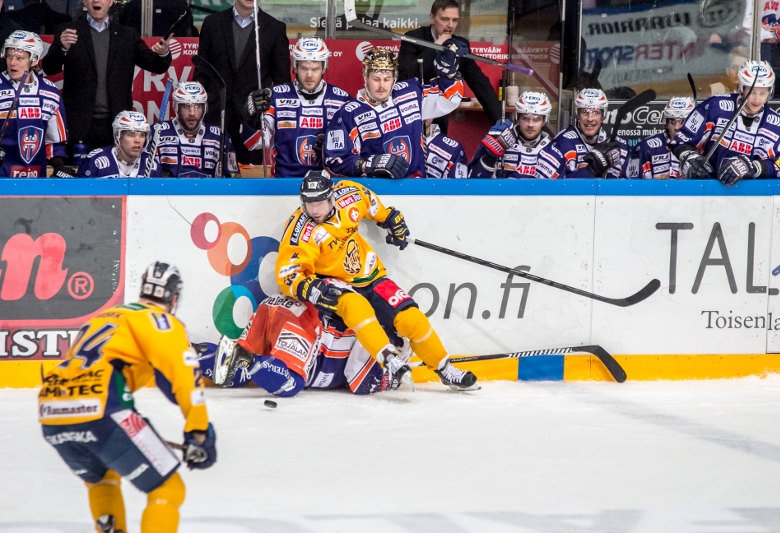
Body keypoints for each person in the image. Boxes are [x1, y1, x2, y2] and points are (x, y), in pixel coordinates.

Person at [38, 261, 216, 533]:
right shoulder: (161, 320)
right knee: (168, 487)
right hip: (102, 411)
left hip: (52, 410)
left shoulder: (105, 317)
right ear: (174, 297)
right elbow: (183, 377)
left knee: (102, 481)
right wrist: (198, 431)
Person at [274, 170, 479, 391]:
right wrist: (312, 288)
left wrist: (390, 218)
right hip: (335, 284)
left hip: (370, 274)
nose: (314, 210)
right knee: (357, 306)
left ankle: (445, 368)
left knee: (411, 319)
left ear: (332, 197)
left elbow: (370, 201)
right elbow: (289, 275)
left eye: (320, 202)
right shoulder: (300, 229)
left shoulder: (349, 195)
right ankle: (390, 361)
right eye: (308, 203)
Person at [205, 293, 404, 395]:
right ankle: (246, 359)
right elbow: (359, 382)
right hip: (302, 318)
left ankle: (191, 354)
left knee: (237, 373)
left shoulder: (370, 326)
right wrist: (388, 382)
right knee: (291, 383)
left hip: (277, 304)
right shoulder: (381, 339)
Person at [42, 0, 172, 155]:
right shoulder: (68, 31)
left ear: (111, 2)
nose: (96, 1)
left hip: (117, 126)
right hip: (79, 126)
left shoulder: (128, 35)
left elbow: (157, 66)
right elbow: (49, 68)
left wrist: (163, 52)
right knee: (79, 175)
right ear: (84, 2)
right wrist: (62, 48)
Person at [325, 47, 464, 179]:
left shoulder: (411, 93)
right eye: (376, 79)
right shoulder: (349, 113)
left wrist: (450, 73)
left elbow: (450, 98)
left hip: (416, 189)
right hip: (376, 192)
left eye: (387, 79)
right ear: (365, 77)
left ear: (395, 77)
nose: (381, 86)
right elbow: (334, 160)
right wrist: (367, 165)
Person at [193, 0, 291, 166]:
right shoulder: (212, 23)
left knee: (249, 181)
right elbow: (202, 72)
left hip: (252, 123)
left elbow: (283, 85)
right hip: (215, 116)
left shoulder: (275, 28)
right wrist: (195, 103)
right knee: (208, 174)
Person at [241, 37, 350, 178]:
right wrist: (251, 118)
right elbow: (254, 144)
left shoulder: (341, 99)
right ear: (294, 67)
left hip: (328, 184)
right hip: (284, 183)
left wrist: (334, 148)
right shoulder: (276, 96)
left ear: (324, 68)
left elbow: (353, 151)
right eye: (304, 68)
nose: (309, 75)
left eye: (315, 69)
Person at [672, 60, 780, 186]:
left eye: (763, 93)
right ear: (742, 89)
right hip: (705, 189)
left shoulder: (778, 126)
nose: (757, 99)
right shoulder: (715, 107)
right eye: (752, 92)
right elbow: (681, 141)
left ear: (770, 91)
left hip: (753, 197)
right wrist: (689, 158)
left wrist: (751, 167)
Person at [397, 0, 501, 134]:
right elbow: (406, 75)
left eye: (455, 20)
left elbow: (480, 84)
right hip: (410, 112)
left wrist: (500, 122)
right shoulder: (413, 38)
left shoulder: (459, 45)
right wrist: (437, 47)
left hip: (438, 117)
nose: (450, 25)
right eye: (445, 19)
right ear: (432, 18)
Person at [0, 30, 72, 178]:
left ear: (34, 60)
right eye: (10, 56)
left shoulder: (50, 92)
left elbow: (53, 142)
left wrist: (59, 166)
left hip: (36, 179)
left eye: (20, 58)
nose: (13, 62)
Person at [534, 88, 632, 179]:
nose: (590, 118)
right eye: (585, 112)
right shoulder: (562, 143)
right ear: (577, 114)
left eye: (595, 112)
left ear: (603, 115)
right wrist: (590, 170)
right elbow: (550, 188)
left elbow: (631, 189)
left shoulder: (621, 147)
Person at [154, 81, 239, 178]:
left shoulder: (219, 137)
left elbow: (233, 180)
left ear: (205, 108)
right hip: (168, 193)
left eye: (197, 106)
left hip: (208, 192)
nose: (192, 113)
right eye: (186, 106)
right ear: (176, 107)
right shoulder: (158, 132)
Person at [469, 91, 552, 178]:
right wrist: (490, 157)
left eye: (536, 119)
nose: (530, 125)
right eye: (525, 118)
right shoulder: (500, 138)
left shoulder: (552, 151)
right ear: (517, 118)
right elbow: (473, 183)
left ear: (544, 121)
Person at [78, 110, 163, 178]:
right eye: (131, 134)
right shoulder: (96, 161)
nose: (138, 140)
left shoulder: (152, 164)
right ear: (118, 136)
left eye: (142, 135)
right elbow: (80, 196)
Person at [636, 96, 696, 180]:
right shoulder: (646, 147)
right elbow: (634, 186)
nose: (677, 127)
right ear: (665, 122)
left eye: (682, 122)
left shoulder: (702, 147)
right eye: (672, 121)